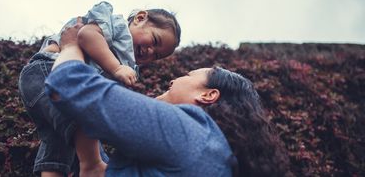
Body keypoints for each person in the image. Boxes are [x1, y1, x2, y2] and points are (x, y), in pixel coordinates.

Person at [43, 21, 293, 177]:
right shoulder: (219, 162)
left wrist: (70, 46)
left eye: (187, 75)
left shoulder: (190, 132)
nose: (173, 80)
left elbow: (68, 85)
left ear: (208, 95)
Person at [18, 1, 181, 176]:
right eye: (155, 41)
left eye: (156, 55)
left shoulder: (129, 67)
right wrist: (116, 68)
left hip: (48, 86)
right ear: (140, 18)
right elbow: (86, 35)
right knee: (84, 116)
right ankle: (92, 164)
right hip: (47, 71)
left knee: (57, 148)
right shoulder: (117, 26)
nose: (150, 51)